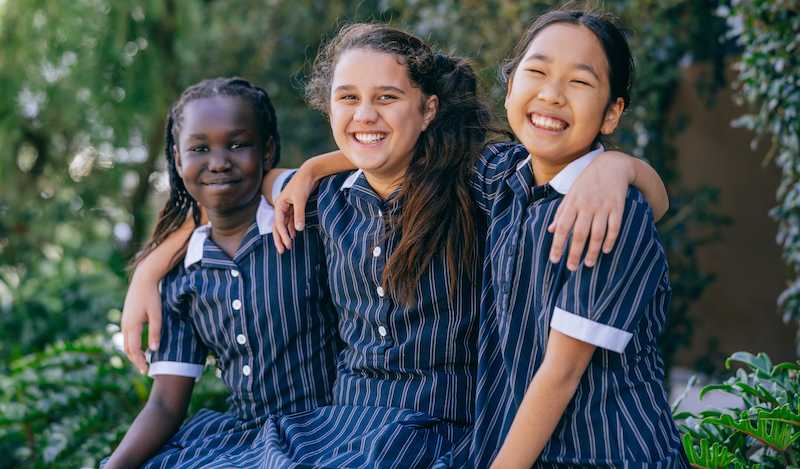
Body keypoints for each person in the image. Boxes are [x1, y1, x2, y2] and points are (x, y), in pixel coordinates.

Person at [123, 24, 668, 468]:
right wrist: (150, 271)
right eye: (347, 99)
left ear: (427, 110)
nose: (365, 114)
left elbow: (600, 185)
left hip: (436, 432)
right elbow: (226, 191)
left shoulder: (476, 181)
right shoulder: (320, 198)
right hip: (341, 428)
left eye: (387, 97)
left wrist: (615, 165)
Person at [468, 5, 687, 468]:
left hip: (606, 453)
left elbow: (561, 374)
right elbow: (398, 143)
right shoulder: (503, 174)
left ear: (612, 114)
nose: (552, 94)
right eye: (537, 72)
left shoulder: (610, 214)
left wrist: (619, 166)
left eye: (580, 82)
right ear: (510, 87)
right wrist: (304, 173)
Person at [103, 77, 340, 469]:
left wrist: (312, 170)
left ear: (265, 152)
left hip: (329, 428)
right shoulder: (180, 276)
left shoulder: (304, 221)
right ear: (178, 162)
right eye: (199, 148)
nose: (217, 161)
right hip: (243, 442)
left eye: (237, 144)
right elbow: (165, 403)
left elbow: (382, 161)